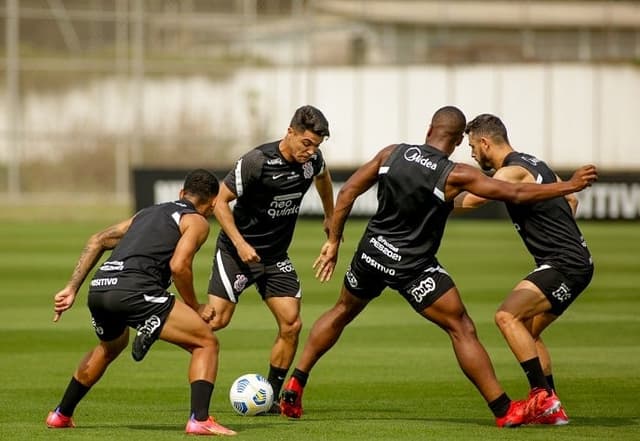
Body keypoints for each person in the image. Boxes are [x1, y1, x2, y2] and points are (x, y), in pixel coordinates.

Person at [279, 106, 597, 427]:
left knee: (341, 311)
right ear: (459, 140)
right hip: (413, 267)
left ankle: (295, 385)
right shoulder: (456, 174)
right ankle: (504, 410)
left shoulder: (393, 153)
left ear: (430, 128)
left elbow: (347, 192)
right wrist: (568, 186)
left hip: (371, 252)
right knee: (461, 328)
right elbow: (514, 191)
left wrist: (334, 241)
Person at [45, 169, 236, 436]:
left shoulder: (146, 213)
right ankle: (199, 419)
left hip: (99, 289)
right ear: (213, 204)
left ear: (181, 193)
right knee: (205, 342)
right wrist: (195, 307)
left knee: (111, 346)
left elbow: (98, 239)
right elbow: (179, 266)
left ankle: (60, 414)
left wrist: (71, 287)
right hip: (136, 290)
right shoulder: (196, 221)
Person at [455, 113, 595, 425]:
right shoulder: (536, 163)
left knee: (506, 316)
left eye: (472, 147)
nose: (473, 154)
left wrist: (430, 200)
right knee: (527, 331)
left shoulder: (511, 172)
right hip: (574, 260)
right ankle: (552, 408)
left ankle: (540, 396)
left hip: (564, 264)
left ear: (485, 142)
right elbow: (571, 199)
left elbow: (474, 199)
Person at [207, 105, 335, 414]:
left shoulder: (313, 161)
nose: (311, 151)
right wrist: (239, 243)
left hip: (275, 256)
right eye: (306, 142)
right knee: (217, 320)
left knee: (291, 324)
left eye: (316, 145)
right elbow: (219, 202)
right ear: (289, 132)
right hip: (237, 253)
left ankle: (270, 398)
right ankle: (159, 322)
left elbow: (324, 179)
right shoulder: (257, 162)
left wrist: (330, 217)